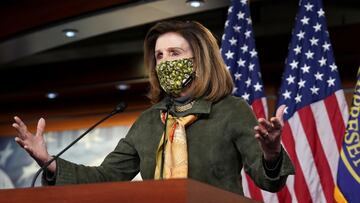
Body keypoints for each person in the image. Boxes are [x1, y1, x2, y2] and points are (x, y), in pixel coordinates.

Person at [12, 21, 295, 195]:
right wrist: (49, 163)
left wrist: (271, 155)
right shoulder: (149, 121)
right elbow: (106, 177)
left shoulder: (231, 110)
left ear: (199, 60)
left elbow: (270, 183)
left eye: (175, 53)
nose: (165, 62)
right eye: (159, 56)